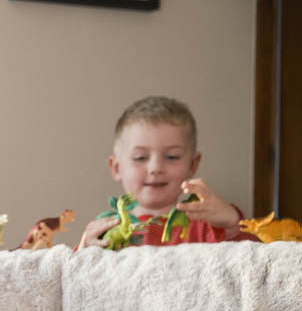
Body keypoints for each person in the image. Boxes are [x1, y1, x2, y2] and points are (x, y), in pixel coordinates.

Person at [77, 96, 254, 249]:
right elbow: (72, 279)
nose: (156, 168)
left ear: (193, 165)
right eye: (140, 158)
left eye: (172, 156)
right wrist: (84, 251)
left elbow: (256, 267)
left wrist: (233, 224)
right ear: (116, 168)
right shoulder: (105, 232)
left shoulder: (209, 228)